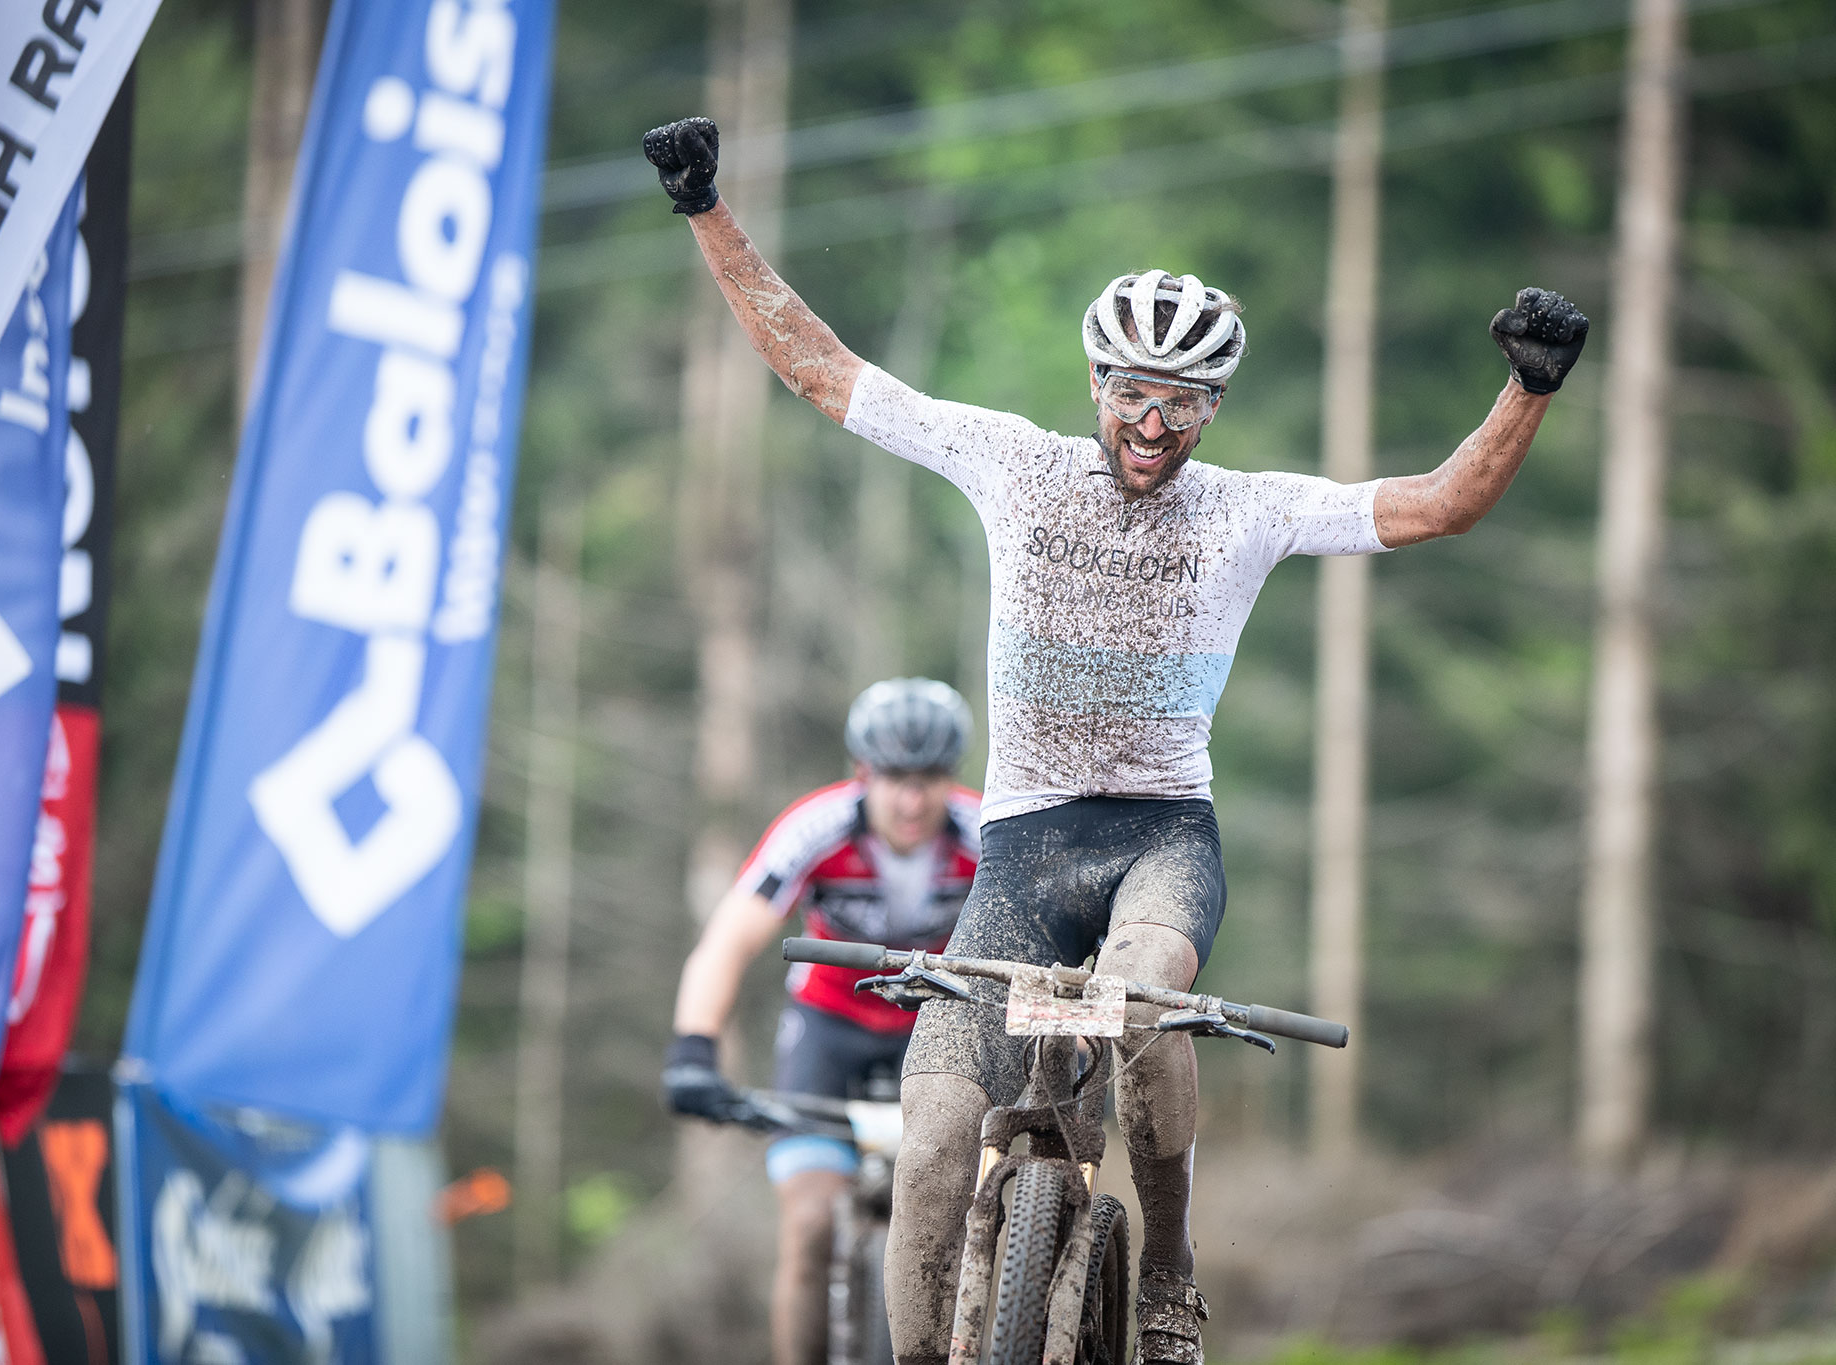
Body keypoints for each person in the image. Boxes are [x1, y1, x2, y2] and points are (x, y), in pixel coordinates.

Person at [641, 116, 1591, 1365]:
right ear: (1096, 384)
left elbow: (1442, 503)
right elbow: (819, 368)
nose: (1154, 425)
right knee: (930, 1144)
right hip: (1024, 853)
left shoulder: (1247, 513)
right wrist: (705, 205)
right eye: (1135, 395)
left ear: (1212, 407)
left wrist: (1523, 390)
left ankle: (1168, 1287)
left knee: (1143, 996)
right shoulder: (1012, 466)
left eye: (1184, 403)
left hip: (1158, 838)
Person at [664, 678, 984, 1365]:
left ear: (951, 777)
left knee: (944, 1221)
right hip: (828, 1025)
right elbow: (728, 938)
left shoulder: (984, 835)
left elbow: (1045, 944)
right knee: (810, 1224)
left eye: (930, 778)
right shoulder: (815, 827)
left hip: (935, 1033)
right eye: (894, 776)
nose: (912, 799)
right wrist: (694, 1047)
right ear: (861, 772)